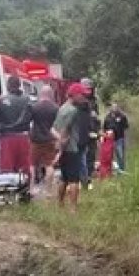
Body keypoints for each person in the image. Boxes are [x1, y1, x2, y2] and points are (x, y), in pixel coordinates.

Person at [53, 83, 89, 211]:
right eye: (81, 95)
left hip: (62, 149)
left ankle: (60, 204)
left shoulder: (62, 108)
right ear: (74, 94)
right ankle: (73, 208)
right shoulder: (73, 111)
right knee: (74, 180)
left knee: (64, 177)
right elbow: (65, 130)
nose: (83, 97)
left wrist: (58, 148)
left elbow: (53, 128)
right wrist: (62, 146)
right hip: (71, 148)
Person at [0, 75, 33, 175]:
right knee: (24, 168)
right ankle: (25, 188)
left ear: (8, 86)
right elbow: (30, 117)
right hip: (23, 137)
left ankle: (9, 189)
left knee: (7, 169)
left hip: (6, 138)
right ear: (19, 85)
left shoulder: (0, 101)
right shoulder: (27, 100)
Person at [29, 86, 61, 195]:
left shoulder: (34, 107)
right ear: (51, 94)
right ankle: (48, 191)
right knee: (49, 165)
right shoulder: (56, 108)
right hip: (49, 140)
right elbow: (58, 126)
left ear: (41, 94)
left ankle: (31, 188)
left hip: (35, 140)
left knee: (32, 165)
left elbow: (29, 122)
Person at [104, 103, 130, 173]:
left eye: (115, 107)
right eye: (112, 107)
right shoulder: (107, 117)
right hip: (109, 139)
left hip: (119, 138)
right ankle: (110, 170)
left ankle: (121, 170)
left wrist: (124, 136)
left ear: (118, 108)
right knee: (109, 156)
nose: (114, 108)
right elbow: (105, 128)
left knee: (120, 155)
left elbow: (126, 126)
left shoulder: (122, 116)